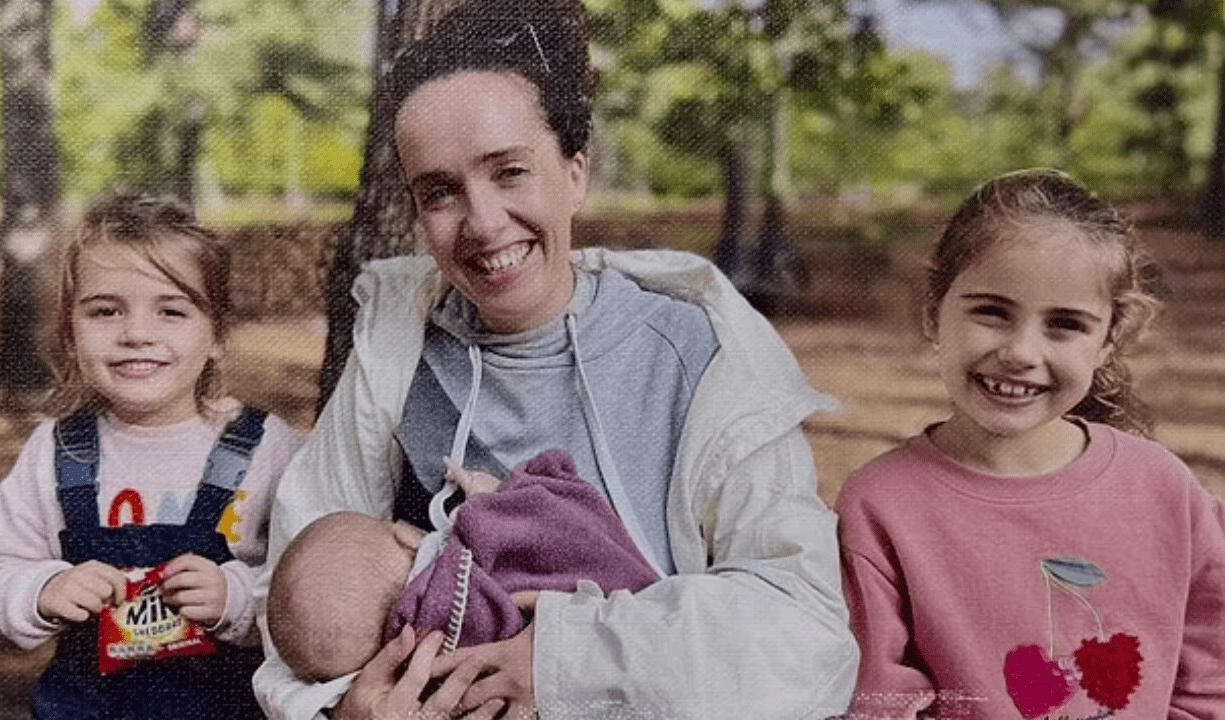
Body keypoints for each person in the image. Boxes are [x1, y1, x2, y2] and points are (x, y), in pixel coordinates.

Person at [253, 0, 858, 718]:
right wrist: (343, 709)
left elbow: (807, 638)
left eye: (509, 172)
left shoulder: (697, 356)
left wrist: (567, 660)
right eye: (440, 192)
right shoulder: (397, 354)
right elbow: (300, 605)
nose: (481, 224)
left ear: (575, 171)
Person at [835, 169, 1225, 718]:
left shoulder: (1164, 488)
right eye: (991, 312)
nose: (1021, 351)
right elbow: (878, 698)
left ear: (1109, 339)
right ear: (933, 313)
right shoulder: (878, 505)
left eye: (1064, 324)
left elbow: (1212, 673)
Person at [0, 192, 302, 719]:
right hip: (85, 705)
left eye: (171, 311)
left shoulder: (265, 446)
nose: (136, 334)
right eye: (105, 311)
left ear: (216, 335)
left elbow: (304, 579)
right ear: (70, 332)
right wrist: (45, 589)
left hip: (225, 704)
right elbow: (5, 568)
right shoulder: (56, 451)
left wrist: (235, 598)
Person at [267, 450, 659, 683]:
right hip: (633, 633)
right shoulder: (473, 540)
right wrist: (497, 498)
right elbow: (552, 519)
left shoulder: (423, 670)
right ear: (404, 535)